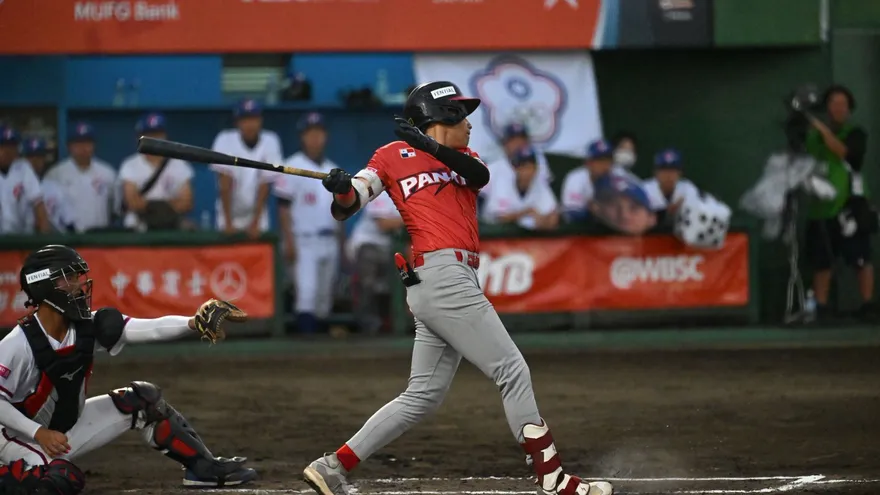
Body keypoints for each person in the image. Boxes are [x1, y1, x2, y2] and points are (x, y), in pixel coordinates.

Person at [302, 81, 613, 495]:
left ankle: (331, 467)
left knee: (422, 396)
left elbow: (478, 176)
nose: (468, 123)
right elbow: (352, 202)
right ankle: (554, 478)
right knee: (512, 370)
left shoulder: (465, 158)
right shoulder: (390, 156)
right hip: (440, 276)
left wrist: (429, 148)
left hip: (453, 278)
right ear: (438, 118)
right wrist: (341, 187)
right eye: (458, 114)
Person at [0, 245, 257, 495]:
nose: (79, 284)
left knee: (143, 400)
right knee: (60, 480)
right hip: (13, 439)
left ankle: (204, 469)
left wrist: (194, 322)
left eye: (77, 277)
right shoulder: (17, 344)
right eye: (68, 278)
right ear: (43, 285)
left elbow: (147, 328)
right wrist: (38, 433)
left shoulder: (86, 325)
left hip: (60, 433)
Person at [803, 84, 874, 321]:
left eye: (843, 104)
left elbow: (846, 153)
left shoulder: (856, 133)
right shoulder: (812, 138)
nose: (838, 109)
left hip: (850, 205)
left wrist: (822, 131)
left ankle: (867, 304)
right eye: (834, 104)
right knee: (822, 260)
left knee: (860, 257)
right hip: (821, 208)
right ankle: (821, 307)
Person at [275, 113, 342, 334]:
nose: (315, 138)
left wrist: (342, 244)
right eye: (310, 133)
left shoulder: (334, 169)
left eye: (319, 133)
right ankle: (304, 352)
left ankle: (322, 357)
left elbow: (341, 210)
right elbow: (283, 207)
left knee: (324, 299)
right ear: (303, 137)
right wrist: (289, 242)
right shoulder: (292, 166)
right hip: (303, 240)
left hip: (329, 239)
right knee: (307, 293)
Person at [211, 99, 282, 238]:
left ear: (260, 120)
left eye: (253, 119)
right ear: (237, 122)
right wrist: (228, 222)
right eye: (245, 119)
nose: (250, 124)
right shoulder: (224, 139)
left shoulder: (271, 140)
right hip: (228, 213)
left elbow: (265, 185)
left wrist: (255, 222)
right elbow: (225, 183)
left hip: (258, 215)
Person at [119, 113, 194, 231]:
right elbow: (132, 201)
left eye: (158, 134)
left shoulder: (179, 164)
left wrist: (151, 206)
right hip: (139, 225)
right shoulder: (130, 165)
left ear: (165, 136)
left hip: (171, 224)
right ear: (140, 137)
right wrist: (166, 205)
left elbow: (186, 202)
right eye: (149, 134)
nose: (154, 139)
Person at [345, 192, 404, 335]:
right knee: (367, 284)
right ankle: (366, 326)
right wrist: (414, 217)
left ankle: (387, 324)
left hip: (389, 247)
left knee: (389, 286)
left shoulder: (404, 191)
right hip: (367, 242)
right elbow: (383, 224)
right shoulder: (379, 192)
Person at [45, 122, 117, 233]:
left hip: (99, 238)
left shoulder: (107, 172)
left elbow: (114, 209)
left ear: (94, 145)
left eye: (87, 143)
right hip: (66, 238)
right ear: (69, 146)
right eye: (78, 143)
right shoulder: (55, 174)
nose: (83, 148)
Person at [481, 146, 559, 231]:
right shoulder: (502, 183)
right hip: (496, 236)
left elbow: (553, 216)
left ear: (536, 169)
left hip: (528, 239)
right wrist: (527, 212)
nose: (526, 172)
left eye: (530, 167)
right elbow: (499, 218)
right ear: (515, 168)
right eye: (522, 167)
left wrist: (542, 222)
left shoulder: (540, 185)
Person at [0, 126, 50, 234]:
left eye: (12, 147)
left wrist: (46, 243)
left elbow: (39, 205)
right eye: (3, 146)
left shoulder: (23, 168)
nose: (8, 151)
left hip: (22, 238)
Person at [19, 136, 74, 233]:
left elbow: (69, 222)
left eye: (39, 157)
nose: (35, 161)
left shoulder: (56, 188)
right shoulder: (15, 186)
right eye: (31, 157)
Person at [560, 138, 616, 222]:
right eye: (600, 160)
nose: (605, 165)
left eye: (608, 160)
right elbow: (570, 213)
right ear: (588, 163)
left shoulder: (618, 176)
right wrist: (590, 211)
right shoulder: (575, 178)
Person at [641, 148, 700, 224]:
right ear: (655, 172)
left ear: (680, 173)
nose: (668, 175)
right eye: (664, 170)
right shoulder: (645, 189)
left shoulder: (688, 189)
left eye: (673, 170)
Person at [485, 123, 552, 186]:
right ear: (505, 144)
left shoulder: (539, 163)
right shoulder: (493, 169)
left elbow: (545, 188)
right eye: (513, 141)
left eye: (521, 139)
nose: (518, 144)